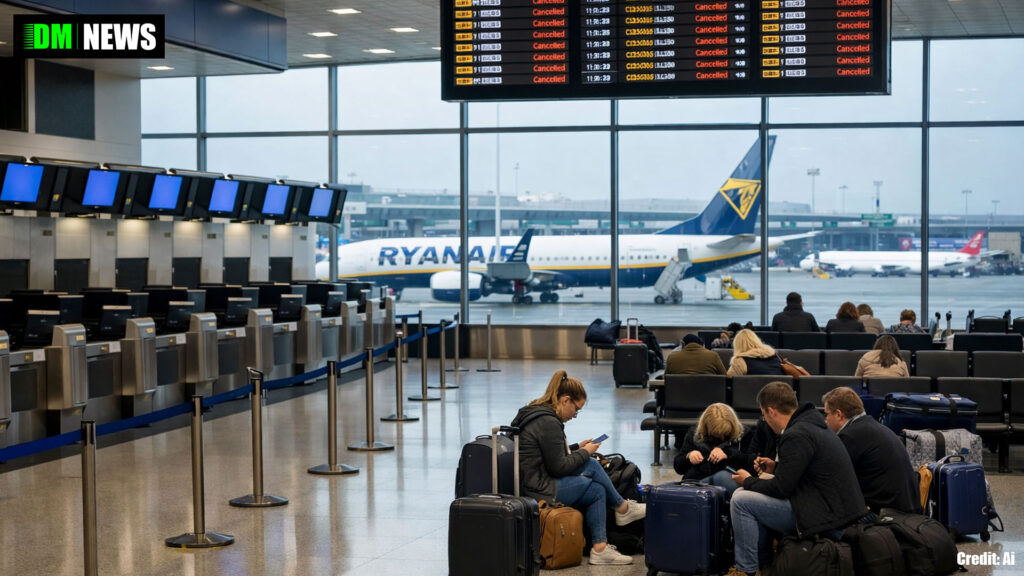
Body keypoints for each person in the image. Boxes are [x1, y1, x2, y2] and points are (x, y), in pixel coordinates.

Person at [726, 382, 867, 576]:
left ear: (771, 411)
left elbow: (781, 489)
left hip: (825, 516)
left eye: (764, 415)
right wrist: (775, 468)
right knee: (747, 494)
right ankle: (762, 564)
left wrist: (748, 480)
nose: (765, 421)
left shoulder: (796, 434)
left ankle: (746, 570)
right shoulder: (810, 424)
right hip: (836, 509)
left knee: (741, 500)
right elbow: (803, 473)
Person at [511, 370, 646, 565]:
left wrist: (576, 448)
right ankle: (622, 508)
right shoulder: (549, 422)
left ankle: (600, 548)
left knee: (597, 490)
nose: (575, 415)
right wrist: (586, 452)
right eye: (577, 409)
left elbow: (548, 453)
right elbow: (558, 467)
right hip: (538, 490)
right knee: (590, 464)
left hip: (535, 480)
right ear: (566, 400)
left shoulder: (537, 412)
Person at [822, 387, 922, 515]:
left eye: (827, 414)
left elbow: (832, 479)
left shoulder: (851, 436)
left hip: (885, 516)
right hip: (906, 510)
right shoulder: (875, 428)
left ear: (838, 414)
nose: (825, 420)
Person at [672, 403, 745, 496]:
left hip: (728, 480)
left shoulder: (743, 435)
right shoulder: (695, 434)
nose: (721, 437)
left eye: (725, 433)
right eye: (716, 434)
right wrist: (689, 456)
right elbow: (678, 467)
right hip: (698, 481)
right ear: (707, 428)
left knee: (722, 477)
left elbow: (749, 463)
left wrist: (728, 455)